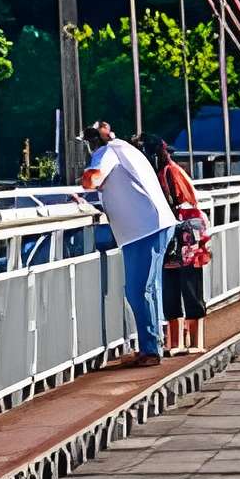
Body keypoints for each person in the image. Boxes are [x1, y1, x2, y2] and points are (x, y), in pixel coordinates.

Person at [80, 120, 173, 361]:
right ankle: (156, 343)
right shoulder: (127, 149)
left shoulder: (106, 152)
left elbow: (93, 180)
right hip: (155, 223)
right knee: (151, 288)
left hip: (142, 229)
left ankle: (151, 349)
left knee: (137, 291)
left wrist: (83, 187)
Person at [152, 136, 208, 356]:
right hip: (186, 235)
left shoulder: (168, 173)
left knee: (181, 287)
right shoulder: (173, 171)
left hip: (180, 235)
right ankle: (187, 341)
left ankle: (184, 342)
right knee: (182, 287)